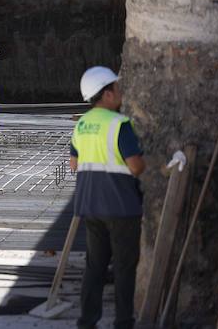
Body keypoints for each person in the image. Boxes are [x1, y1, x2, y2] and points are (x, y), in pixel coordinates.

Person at [71, 66, 146, 329]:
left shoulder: (81, 124)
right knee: (125, 268)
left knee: (95, 266)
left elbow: (74, 164)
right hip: (121, 206)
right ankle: (124, 322)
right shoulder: (119, 124)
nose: (120, 91)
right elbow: (135, 166)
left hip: (90, 205)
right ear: (106, 94)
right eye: (116, 87)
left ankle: (87, 321)